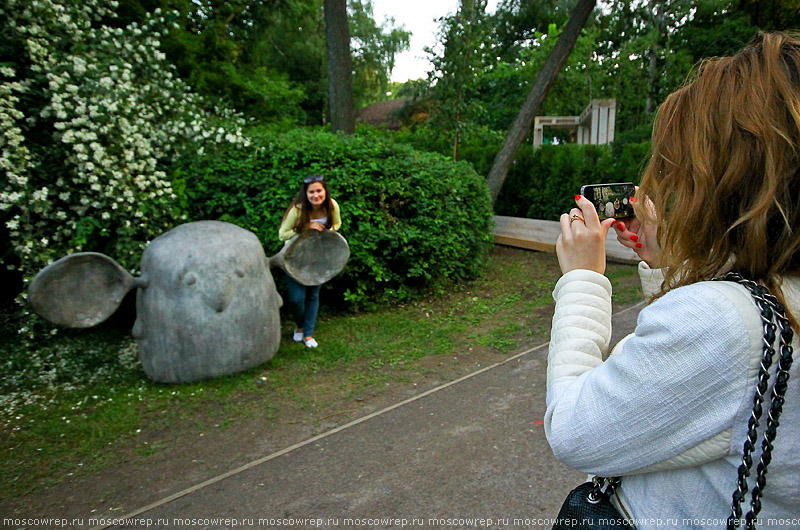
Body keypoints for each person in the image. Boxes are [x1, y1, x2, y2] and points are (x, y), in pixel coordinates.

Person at [547, 32, 800, 529]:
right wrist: (668, 256)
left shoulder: (723, 322)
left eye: (674, 166)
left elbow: (573, 427)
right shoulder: (776, 292)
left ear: (721, 180)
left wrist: (582, 280)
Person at [278, 174, 342, 348]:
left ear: (325, 191)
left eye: (319, 191)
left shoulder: (331, 205)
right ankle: (300, 325)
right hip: (295, 258)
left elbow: (337, 225)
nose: (316, 195)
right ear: (305, 194)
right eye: (311, 192)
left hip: (318, 257)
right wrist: (305, 228)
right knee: (297, 298)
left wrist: (327, 232)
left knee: (313, 295)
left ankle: (308, 334)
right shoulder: (297, 210)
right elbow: (282, 234)